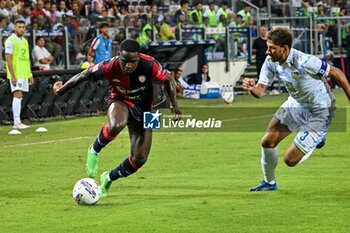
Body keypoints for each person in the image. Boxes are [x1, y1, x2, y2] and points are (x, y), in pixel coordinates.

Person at [53, 39, 181, 197]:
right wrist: (61, 90)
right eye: (124, 61)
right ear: (119, 56)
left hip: (148, 109)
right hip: (120, 100)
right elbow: (84, 74)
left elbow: (168, 79)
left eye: (132, 62)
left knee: (140, 158)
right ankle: (94, 150)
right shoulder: (109, 65)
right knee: (117, 124)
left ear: (138, 59)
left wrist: (174, 105)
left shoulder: (149, 64)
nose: (128, 65)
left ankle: (108, 178)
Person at [242, 27, 350, 191]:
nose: (267, 52)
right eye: (267, 46)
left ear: (284, 49)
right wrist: (251, 88)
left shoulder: (305, 61)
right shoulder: (271, 62)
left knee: (290, 160)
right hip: (296, 104)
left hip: (319, 111)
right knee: (267, 142)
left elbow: (338, 73)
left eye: (271, 48)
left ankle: (317, 139)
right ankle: (269, 183)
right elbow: (260, 91)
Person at [5, 19, 33, 130]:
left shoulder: (25, 41)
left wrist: (29, 74)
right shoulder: (10, 40)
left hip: (24, 73)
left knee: (20, 97)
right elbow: (8, 59)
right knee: (17, 95)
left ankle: (18, 121)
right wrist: (12, 75)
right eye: (19, 27)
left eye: (23, 27)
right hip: (16, 73)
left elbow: (26, 59)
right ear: (15, 28)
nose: (21, 29)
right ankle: (16, 122)